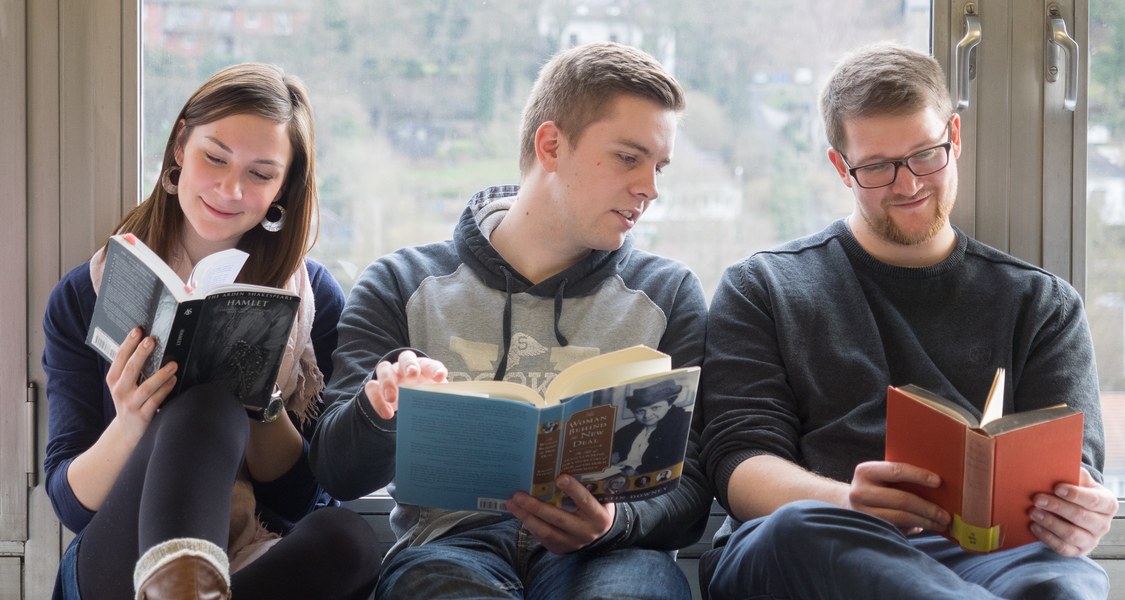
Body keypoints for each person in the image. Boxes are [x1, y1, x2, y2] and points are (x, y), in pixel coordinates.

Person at [698, 42, 1117, 600]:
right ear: (840, 168)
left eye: (925, 154)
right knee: (798, 530)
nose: (908, 183)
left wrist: (1080, 514)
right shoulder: (763, 288)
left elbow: (1071, 477)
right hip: (818, 538)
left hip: (981, 558)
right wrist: (850, 500)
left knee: (1066, 578)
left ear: (955, 137)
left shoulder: (1042, 305)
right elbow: (737, 464)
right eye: (876, 166)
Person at [309, 41, 712, 599]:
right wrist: (379, 409)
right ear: (551, 144)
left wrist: (614, 524)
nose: (650, 188)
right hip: (451, 546)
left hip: (613, 553)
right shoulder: (402, 283)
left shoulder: (668, 294)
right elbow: (337, 471)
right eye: (628, 157)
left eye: (658, 166)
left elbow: (692, 484)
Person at [42, 63, 381, 599]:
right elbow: (70, 505)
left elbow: (297, 502)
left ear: (283, 188)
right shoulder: (84, 295)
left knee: (349, 538)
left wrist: (263, 401)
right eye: (214, 157)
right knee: (207, 408)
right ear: (180, 146)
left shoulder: (314, 299)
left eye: (260, 174)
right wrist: (131, 420)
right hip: (117, 560)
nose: (229, 188)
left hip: (254, 556)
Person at [612, 380, 692, 475]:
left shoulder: (683, 422)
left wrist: (638, 472)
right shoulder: (629, 429)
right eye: (640, 411)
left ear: (669, 405)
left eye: (655, 408)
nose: (647, 415)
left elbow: (678, 461)